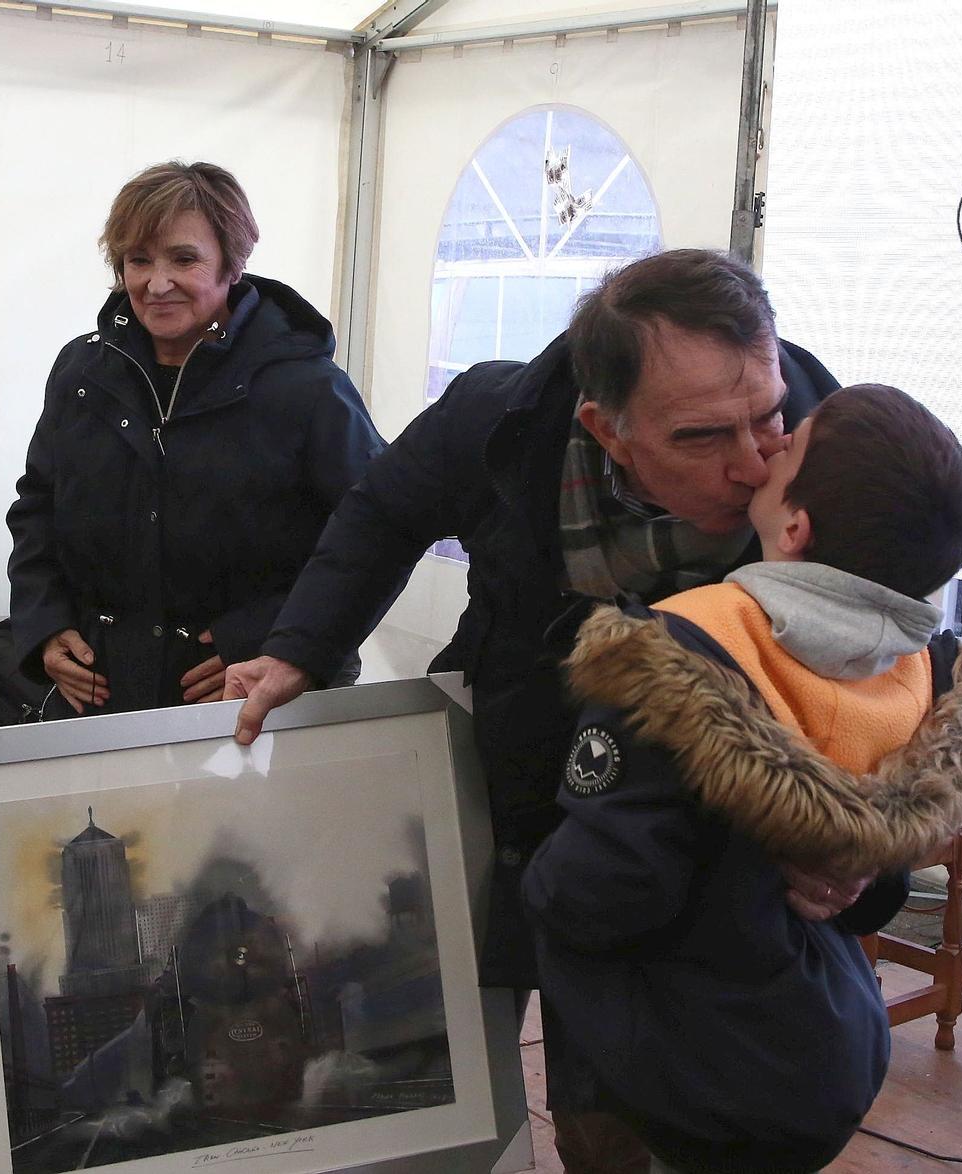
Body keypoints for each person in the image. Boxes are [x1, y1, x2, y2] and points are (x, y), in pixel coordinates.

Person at [224, 249, 845, 1173]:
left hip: (707, 847)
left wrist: (855, 850)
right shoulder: (500, 419)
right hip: (519, 773)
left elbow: (894, 672)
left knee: (650, 1111)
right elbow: (383, 512)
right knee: (485, 1081)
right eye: (703, 437)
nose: (755, 464)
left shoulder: (839, 453)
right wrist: (299, 649)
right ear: (606, 428)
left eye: (767, 416)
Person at [523, 383, 962, 1173]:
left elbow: (606, 884)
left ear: (795, 527)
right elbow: (874, 893)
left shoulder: (674, 658)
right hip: (825, 1052)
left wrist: (534, 889)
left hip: (688, 1063)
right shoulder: (922, 675)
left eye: (791, 443)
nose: (769, 447)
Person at [6, 161, 383, 716]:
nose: (157, 284)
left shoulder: (308, 389)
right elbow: (37, 506)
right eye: (139, 260)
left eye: (184, 259)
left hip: (248, 699)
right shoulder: (82, 374)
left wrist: (276, 642)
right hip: (100, 693)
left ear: (232, 263)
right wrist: (44, 623)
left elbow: (374, 535)